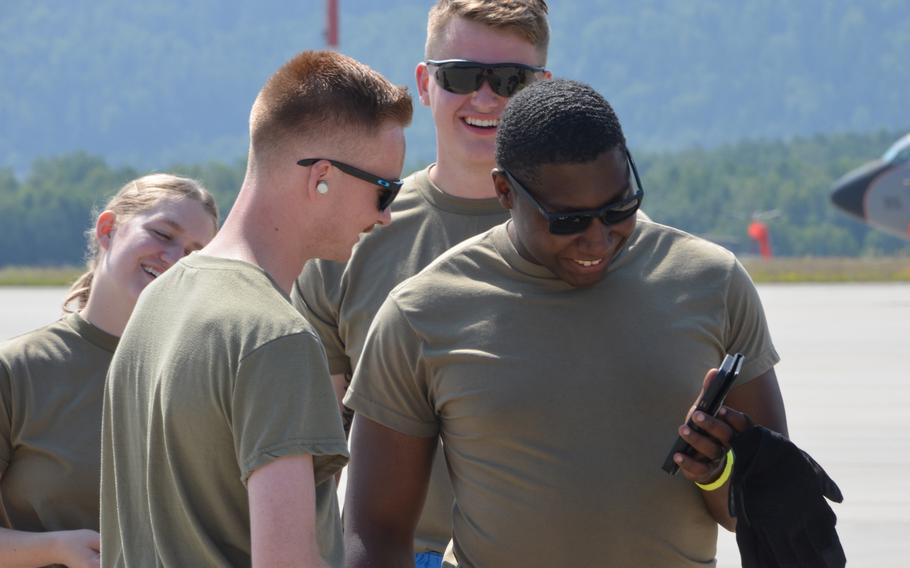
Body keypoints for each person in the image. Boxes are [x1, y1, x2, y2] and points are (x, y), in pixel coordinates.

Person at [342, 79, 789, 567]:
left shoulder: (712, 284)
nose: (597, 241)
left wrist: (717, 473)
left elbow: (774, 511)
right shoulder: (422, 313)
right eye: (568, 221)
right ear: (504, 192)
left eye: (619, 209)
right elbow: (375, 529)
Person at [99, 50, 412, 567]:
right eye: (385, 191)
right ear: (322, 178)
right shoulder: (275, 338)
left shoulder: (158, 299)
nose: (387, 217)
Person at [291, 2, 551, 565]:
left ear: (543, 92)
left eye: (511, 80)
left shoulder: (586, 238)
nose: (486, 98)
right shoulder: (351, 237)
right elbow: (312, 452)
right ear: (424, 84)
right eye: (460, 75)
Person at [0, 173, 218, 568]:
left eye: (194, 253)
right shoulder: (18, 370)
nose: (174, 260)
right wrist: (56, 549)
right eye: (163, 234)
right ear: (107, 229)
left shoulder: (204, 373)